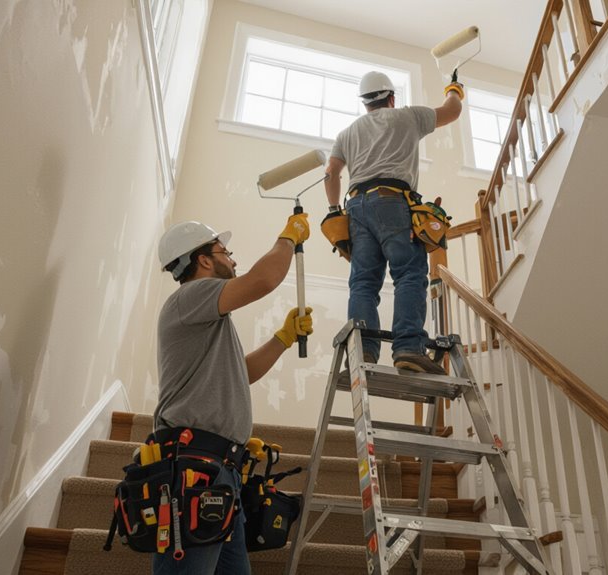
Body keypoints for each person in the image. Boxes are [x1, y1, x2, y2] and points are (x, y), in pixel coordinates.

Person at [151, 215, 312, 574]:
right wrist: (288, 237)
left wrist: (283, 338)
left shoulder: (207, 317)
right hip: (195, 469)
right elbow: (263, 280)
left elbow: (243, 374)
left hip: (219, 471)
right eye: (226, 252)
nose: (233, 260)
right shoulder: (190, 297)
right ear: (204, 260)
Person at [324, 70, 463, 374]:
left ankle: (362, 351)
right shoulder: (407, 116)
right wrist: (454, 88)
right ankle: (408, 348)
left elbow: (331, 173)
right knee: (410, 273)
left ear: (365, 103)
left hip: (356, 206)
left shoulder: (347, 134)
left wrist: (334, 211)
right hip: (393, 200)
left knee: (363, 282)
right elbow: (452, 111)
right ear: (391, 98)